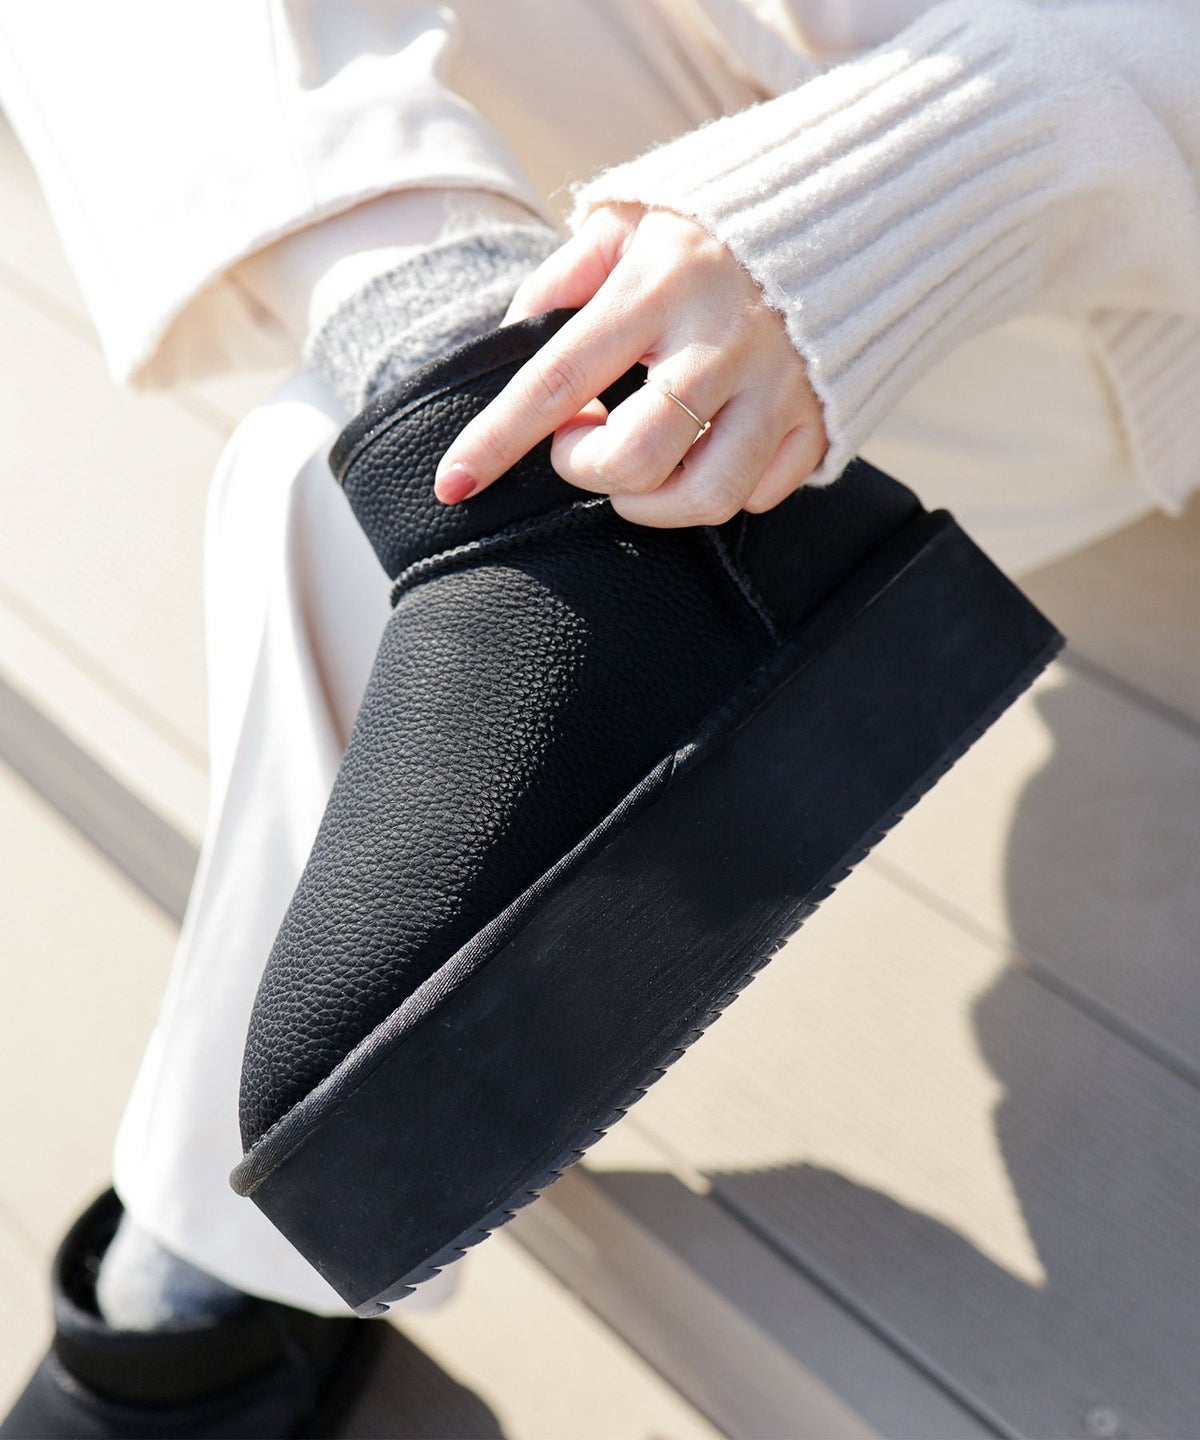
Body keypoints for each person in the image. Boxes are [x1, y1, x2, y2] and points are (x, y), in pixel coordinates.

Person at [1, 0, 1198, 1434]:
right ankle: (445, 336)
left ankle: (210, 1271)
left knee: (319, 472)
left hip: (1078, 204)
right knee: (442, 384)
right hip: (720, 49)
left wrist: (870, 199)